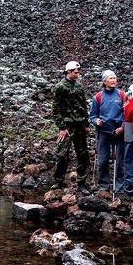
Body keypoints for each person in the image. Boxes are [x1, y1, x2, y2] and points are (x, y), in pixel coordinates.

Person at [51, 60, 91, 192]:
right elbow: (56, 108)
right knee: (62, 153)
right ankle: (59, 180)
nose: (77, 74)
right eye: (75, 72)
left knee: (83, 153)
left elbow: (83, 106)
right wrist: (61, 127)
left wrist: (86, 124)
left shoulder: (79, 87)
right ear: (68, 72)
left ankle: (81, 182)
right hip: (67, 125)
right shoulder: (60, 87)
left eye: (78, 72)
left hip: (80, 124)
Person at [89, 69, 126, 194]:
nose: (113, 80)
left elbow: (127, 114)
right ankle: (104, 186)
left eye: (114, 78)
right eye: (111, 78)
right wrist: (96, 121)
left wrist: (122, 127)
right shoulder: (98, 97)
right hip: (103, 131)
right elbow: (92, 115)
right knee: (103, 160)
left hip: (118, 131)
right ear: (104, 81)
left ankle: (119, 187)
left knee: (120, 160)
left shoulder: (121, 95)